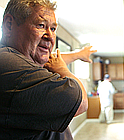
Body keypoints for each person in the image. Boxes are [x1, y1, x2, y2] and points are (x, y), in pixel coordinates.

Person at [0, 0, 96, 139]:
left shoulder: (18, 59)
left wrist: (77, 55)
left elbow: (50, 61)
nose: (50, 36)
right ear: (9, 25)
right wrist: (64, 70)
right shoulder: (10, 67)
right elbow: (81, 102)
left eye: (52, 29)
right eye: (41, 25)